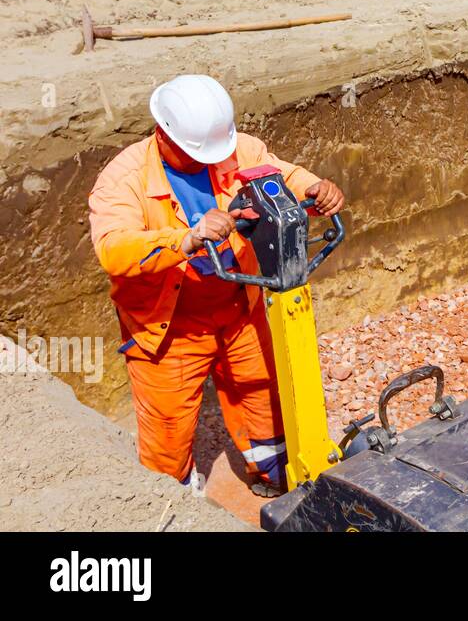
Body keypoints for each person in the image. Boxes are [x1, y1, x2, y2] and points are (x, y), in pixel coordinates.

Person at [88, 74, 345, 494]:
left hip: (239, 304)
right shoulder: (124, 178)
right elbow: (114, 249)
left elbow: (280, 174)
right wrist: (185, 238)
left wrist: (313, 187)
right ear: (164, 134)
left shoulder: (237, 148)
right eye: (198, 155)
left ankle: (278, 476)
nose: (210, 162)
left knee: (264, 397)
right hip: (170, 327)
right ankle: (174, 502)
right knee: (167, 432)